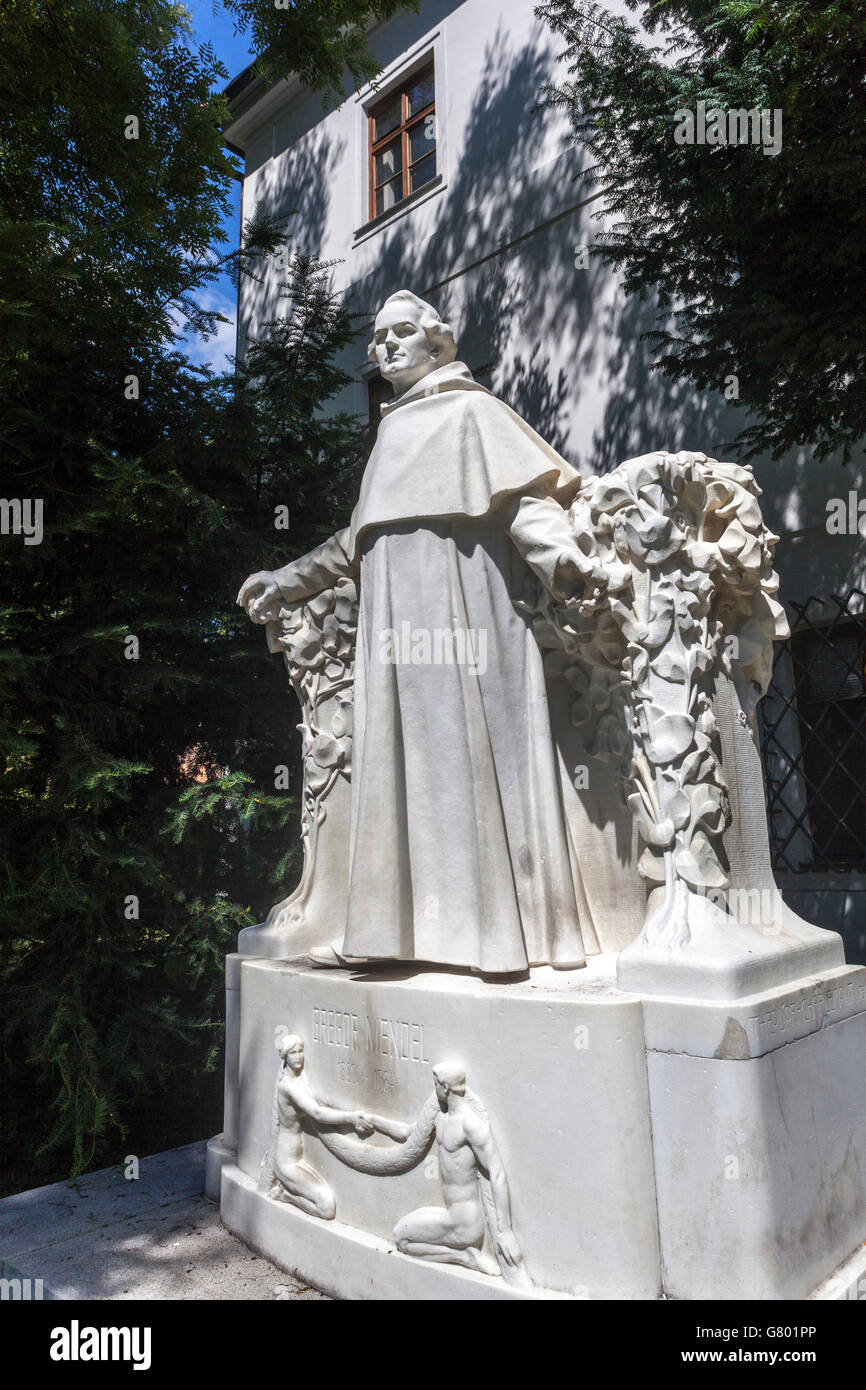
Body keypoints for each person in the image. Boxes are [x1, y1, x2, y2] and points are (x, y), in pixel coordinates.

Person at [239, 290, 607, 973]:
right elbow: (358, 541)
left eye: (403, 333)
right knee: (409, 772)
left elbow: (526, 502)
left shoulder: (474, 412)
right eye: (379, 339)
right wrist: (286, 580)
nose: (387, 347)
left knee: (474, 759)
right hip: (396, 632)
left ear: (439, 342)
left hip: (466, 611)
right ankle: (401, 937)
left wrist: (570, 565)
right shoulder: (391, 434)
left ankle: (497, 939)